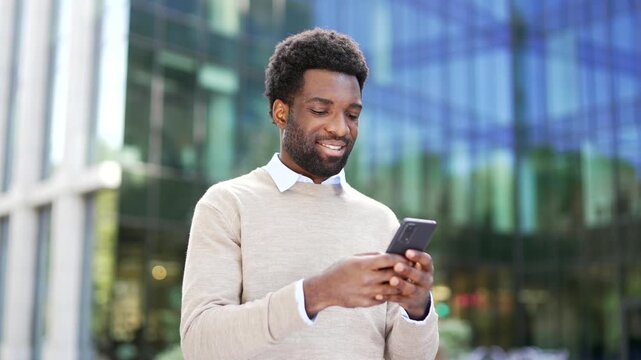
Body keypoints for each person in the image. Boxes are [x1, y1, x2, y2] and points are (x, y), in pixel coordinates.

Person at [180, 28, 439, 359]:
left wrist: (416, 308)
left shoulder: (380, 219)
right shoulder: (228, 205)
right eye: (321, 110)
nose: (341, 128)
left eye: (353, 114)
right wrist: (318, 293)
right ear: (280, 113)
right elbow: (200, 344)